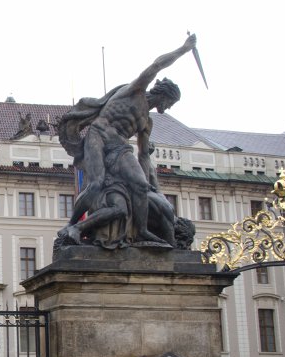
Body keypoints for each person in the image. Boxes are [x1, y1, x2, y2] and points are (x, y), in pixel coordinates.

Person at [57, 34, 197, 247]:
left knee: (140, 185)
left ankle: (142, 230)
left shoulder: (146, 123)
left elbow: (143, 155)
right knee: (95, 183)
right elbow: (157, 64)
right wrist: (184, 49)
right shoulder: (135, 90)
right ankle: (71, 226)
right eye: (170, 102)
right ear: (164, 95)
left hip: (119, 147)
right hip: (99, 135)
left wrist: (155, 189)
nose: (168, 107)